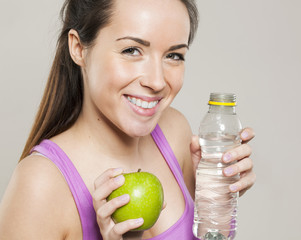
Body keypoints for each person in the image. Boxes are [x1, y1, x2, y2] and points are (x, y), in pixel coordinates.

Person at [0, 0, 256, 239]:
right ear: (78, 48)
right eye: (132, 50)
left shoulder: (174, 131)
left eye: (174, 55)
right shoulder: (40, 185)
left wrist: (217, 202)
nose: (156, 81)